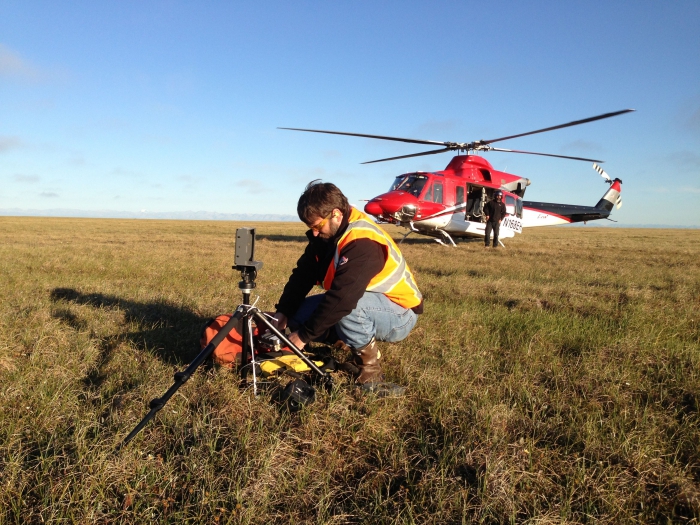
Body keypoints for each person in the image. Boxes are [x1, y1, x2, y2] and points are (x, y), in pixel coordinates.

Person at [272, 181, 423, 384]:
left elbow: (343, 299)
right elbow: (303, 274)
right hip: (362, 303)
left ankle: (370, 371)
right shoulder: (327, 236)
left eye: (317, 226)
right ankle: (345, 338)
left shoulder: (363, 241)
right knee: (297, 314)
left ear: (336, 214)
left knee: (349, 307)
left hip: (399, 313)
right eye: (310, 227)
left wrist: (303, 336)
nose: (314, 233)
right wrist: (283, 312)